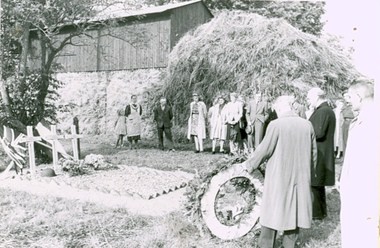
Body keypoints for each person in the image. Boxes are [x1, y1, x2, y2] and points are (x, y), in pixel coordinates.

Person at [239, 95, 317, 248]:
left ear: (280, 107)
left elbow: (264, 150)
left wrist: (249, 164)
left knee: (272, 210)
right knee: (295, 211)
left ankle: (267, 245)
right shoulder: (307, 125)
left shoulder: (276, 124)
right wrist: (310, 174)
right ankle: (289, 245)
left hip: (279, 175)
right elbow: (314, 154)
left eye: (275, 109)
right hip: (301, 176)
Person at [339, 81, 379, 248]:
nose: (349, 101)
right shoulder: (361, 120)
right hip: (356, 189)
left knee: (365, 236)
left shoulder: (372, 122)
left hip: (366, 194)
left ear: (359, 97)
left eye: (350, 97)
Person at [306, 87, 336, 220]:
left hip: (319, 152)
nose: (307, 100)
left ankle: (317, 214)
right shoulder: (325, 110)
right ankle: (321, 212)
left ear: (316, 97)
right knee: (319, 184)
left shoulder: (323, 111)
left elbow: (318, 132)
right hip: (322, 151)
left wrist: (307, 123)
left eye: (309, 97)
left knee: (315, 182)